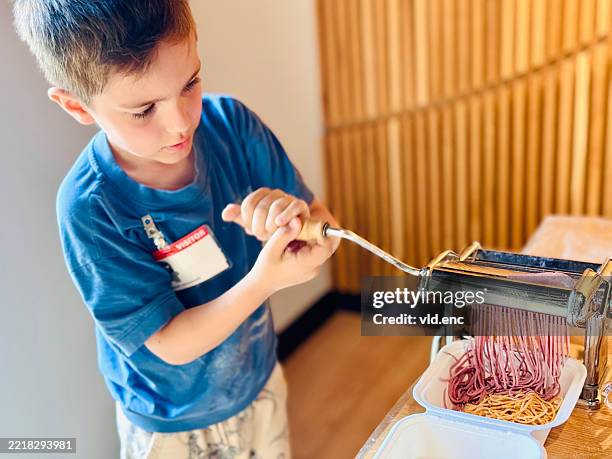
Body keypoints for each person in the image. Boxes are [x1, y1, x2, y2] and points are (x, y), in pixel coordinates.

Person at [13, 1, 339, 457]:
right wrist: (265, 280)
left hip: (258, 383)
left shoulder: (232, 126)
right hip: (168, 424)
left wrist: (299, 226)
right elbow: (170, 342)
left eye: (190, 83)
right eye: (144, 110)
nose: (181, 122)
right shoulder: (91, 207)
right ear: (75, 104)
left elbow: (322, 223)